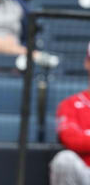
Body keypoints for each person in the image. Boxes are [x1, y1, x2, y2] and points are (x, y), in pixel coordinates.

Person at [49, 41, 90, 185]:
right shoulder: (69, 104)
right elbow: (70, 139)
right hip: (85, 172)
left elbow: (81, 139)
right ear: (87, 63)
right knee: (64, 160)